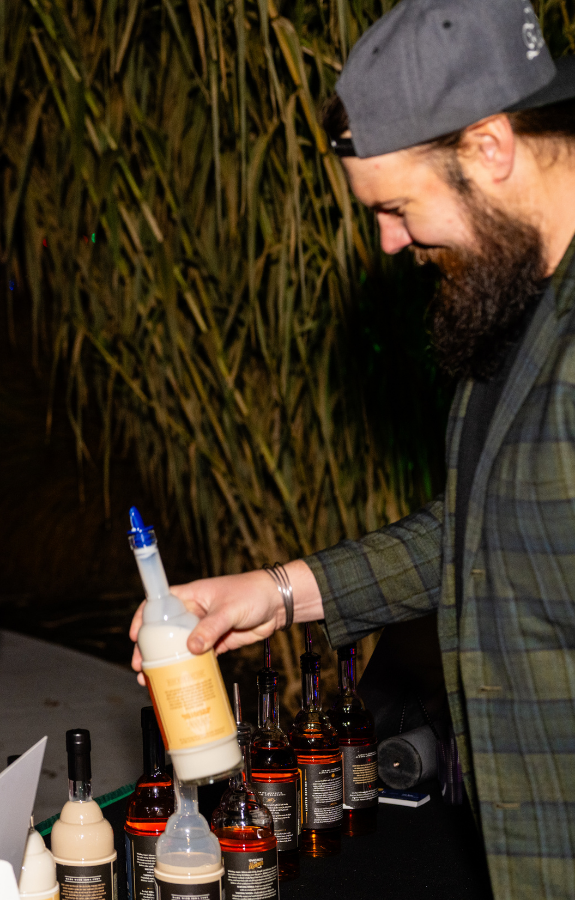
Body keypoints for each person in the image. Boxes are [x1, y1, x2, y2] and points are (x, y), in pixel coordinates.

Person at [130, 2, 575, 895]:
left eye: (399, 207)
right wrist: (280, 592)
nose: (389, 241)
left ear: (488, 147)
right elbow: (483, 533)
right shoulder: (518, 307)